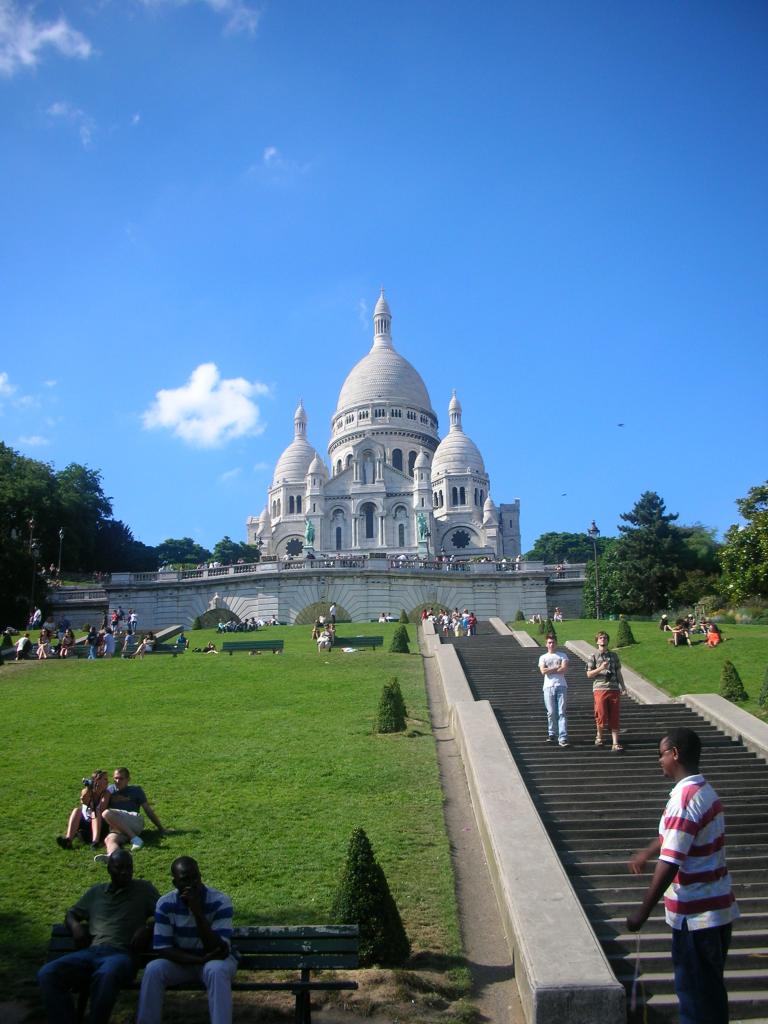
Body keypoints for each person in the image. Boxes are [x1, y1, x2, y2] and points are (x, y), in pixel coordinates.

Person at [627, 728, 739, 1024]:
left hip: (696, 918)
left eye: (661, 755)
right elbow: (676, 836)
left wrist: (642, 912)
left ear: (675, 753)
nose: (659, 762)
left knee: (695, 1001)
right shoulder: (703, 791)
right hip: (717, 911)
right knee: (711, 997)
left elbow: (671, 861)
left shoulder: (684, 800)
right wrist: (647, 852)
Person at [37, 849, 159, 1024]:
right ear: (109, 869)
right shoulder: (96, 893)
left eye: (129, 867)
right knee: (47, 973)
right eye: (119, 868)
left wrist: (148, 927)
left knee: (107, 973)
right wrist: (75, 926)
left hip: (122, 954)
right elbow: (71, 913)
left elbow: (165, 915)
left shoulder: (144, 889)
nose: (125, 872)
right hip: (92, 952)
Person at [136, 856, 238, 1024]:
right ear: (175, 883)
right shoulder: (165, 903)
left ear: (200, 876)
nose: (192, 884)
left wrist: (197, 913)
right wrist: (196, 960)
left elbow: (219, 949)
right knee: (154, 969)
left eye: (195, 877)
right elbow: (163, 948)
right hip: (183, 962)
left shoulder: (220, 901)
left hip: (215, 961)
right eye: (185, 880)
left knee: (216, 970)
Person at [96, 768, 166, 861]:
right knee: (109, 839)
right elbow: (99, 809)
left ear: (128, 779)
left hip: (134, 821)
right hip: (120, 827)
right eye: (116, 778)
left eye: (121, 778)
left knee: (107, 813)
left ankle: (134, 838)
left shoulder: (136, 790)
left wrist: (161, 828)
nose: (117, 781)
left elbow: (147, 810)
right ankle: (113, 856)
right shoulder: (109, 790)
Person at [585, 631, 628, 751]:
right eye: (600, 638)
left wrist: (623, 686)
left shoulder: (614, 656)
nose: (603, 639)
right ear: (597, 641)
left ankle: (615, 743)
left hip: (614, 688)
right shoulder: (593, 656)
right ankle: (599, 736)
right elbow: (589, 674)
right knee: (601, 714)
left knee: (614, 715)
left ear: (607, 641)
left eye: (605, 638)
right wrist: (601, 668)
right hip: (600, 688)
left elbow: (618, 672)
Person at [57, 770, 110, 850]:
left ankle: (95, 841)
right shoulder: (86, 791)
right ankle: (68, 840)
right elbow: (84, 802)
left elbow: (102, 809)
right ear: (97, 780)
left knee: (95, 811)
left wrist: (92, 807)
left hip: (98, 821)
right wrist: (88, 788)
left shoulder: (106, 793)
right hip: (86, 819)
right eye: (105, 779)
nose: (107, 782)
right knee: (76, 810)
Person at [537, 634, 569, 747]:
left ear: (556, 643)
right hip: (548, 687)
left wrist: (549, 669)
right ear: (546, 644)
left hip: (561, 685)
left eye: (553, 642)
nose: (551, 644)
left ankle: (563, 737)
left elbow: (564, 669)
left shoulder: (563, 655)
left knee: (561, 712)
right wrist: (556, 668)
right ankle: (552, 734)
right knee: (551, 712)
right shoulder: (543, 657)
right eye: (549, 642)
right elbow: (543, 671)